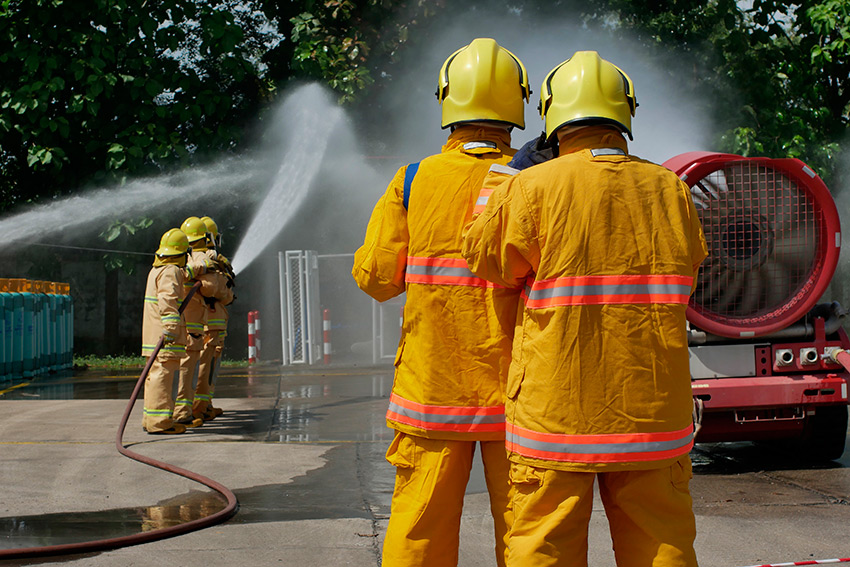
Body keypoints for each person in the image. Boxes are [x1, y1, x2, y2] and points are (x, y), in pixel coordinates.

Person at [462, 51, 708, 567]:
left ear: (551, 118)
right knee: (662, 549)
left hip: (557, 418)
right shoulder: (673, 190)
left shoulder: (529, 187)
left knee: (543, 551)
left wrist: (504, 177)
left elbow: (483, 257)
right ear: (626, 113)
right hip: (652, 418)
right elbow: (692, 265)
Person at [352, 38, 530, 567]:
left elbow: (377, 278)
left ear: (447, 100)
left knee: (419, 523)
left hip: (431, 389)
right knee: (526, 530)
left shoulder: (411, 180)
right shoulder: (534, 181)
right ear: (518, 104)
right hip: (517, 392)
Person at [141, 228, 191, 435]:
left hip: (154, 337)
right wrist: (171, 328)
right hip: (165, 338)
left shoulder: (157, 270)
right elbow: (168, 301)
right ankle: (160, 423)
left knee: (154, 379)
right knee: (163, 379)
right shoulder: (170, 271)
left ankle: (151, 419)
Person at [173, 216, 220, 428]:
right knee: (189, 370)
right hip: (192, 328)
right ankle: (184, 411)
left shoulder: (177, 261)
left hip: (184, 325)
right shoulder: (201, 258)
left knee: (181, 370)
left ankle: (183, 410)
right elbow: (212, 289)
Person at [193, 215, 235, 421]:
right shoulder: (206, 257)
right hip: (209, 324)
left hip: (210, 324)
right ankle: (200, 406)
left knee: (208, 368)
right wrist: (226, 279)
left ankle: (205, 404)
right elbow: (215, 290)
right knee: (205, 366)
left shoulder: (199, 258)